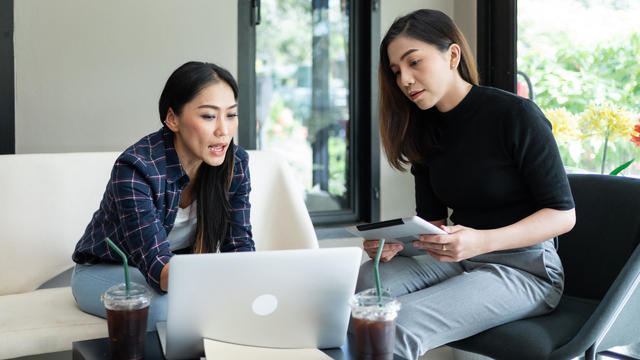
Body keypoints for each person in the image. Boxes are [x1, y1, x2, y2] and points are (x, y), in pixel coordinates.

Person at [355, 9, 576, 360]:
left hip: (525, 269)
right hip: (457, 256)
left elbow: (563, 215)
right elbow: (435, 223)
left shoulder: (516, 115)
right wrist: (398, 242)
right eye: (397, 72)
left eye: (414, 62)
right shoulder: (424, 130)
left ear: (452, 55)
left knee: (398, 324)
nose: (405, 80)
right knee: (360, 288)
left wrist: (482, 240)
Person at [71, 61, 254, 328]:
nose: (223, 131)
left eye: (231, 115)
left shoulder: (235, 164)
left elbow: (239, 249)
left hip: (177, 272)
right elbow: (160, 270)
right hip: (106, 270)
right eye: (208, 116)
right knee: (159, 310)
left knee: (245, 299)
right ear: (172, 119)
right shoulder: (135, 168)